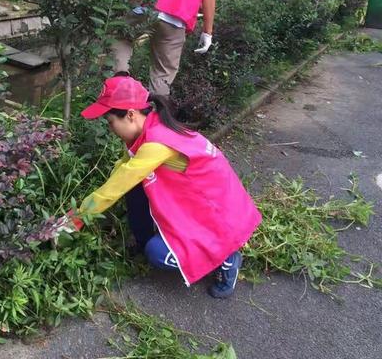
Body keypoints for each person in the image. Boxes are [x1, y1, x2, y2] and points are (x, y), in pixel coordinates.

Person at [57, 75, 262, 298]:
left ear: (131, 115)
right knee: (135, 187)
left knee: (157, 253)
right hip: (197, 202)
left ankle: (227, 258)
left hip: (218, 216)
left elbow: (113, 189)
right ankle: (144, 240)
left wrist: (71, 220)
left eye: (110, 123)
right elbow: (123, 173)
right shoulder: (152, 127)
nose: (111, 129)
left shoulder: (157, 144)